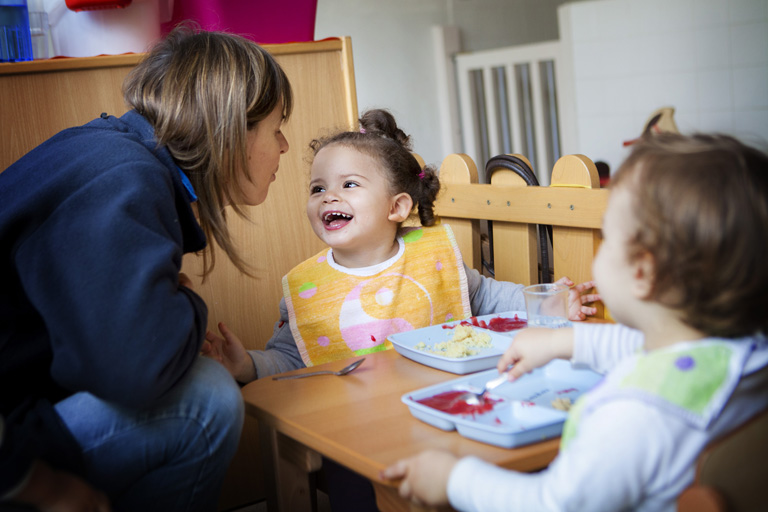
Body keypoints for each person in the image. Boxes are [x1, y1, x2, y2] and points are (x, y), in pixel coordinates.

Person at [202, 109, 599, 511]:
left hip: (448, 414)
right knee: (361, 491)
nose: (328, 197)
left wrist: (548, 304)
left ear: (397, 207)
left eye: (349, 184)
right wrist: (247, 366)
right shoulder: (307, 288)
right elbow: (291, 359)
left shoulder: (434, 257)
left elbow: (490, 299)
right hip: (356, 433)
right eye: (317, 188)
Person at [381, 133, 768, 511]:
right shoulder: (746, 354)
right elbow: (652, 350)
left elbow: (550, 503)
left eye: (607, 237)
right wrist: (565, 343)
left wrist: (453, 479)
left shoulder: (632, 415)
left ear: (643, 273)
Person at [0, 26, 292, 512]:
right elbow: (140, 369)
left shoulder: (112, 155)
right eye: (278, 126)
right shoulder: (126, 178)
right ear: (232, 124)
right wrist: (184, 302)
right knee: (208, 398)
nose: (284, 146)